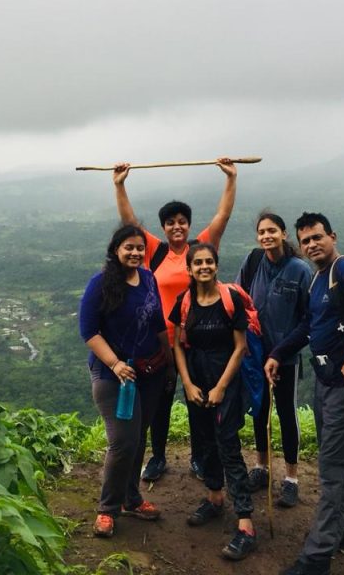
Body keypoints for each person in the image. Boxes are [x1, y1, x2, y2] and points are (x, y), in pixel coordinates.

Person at [264, 212, 344, 575]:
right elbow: (310, 325)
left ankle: (316, 558)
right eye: (305, 241)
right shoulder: (319, 278)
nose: (311, 245)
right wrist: (278, 353)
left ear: (332, 237)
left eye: (317, 237)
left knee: (332, 468)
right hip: (327, 383)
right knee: (341, 460)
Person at [113, 157, 237, 482]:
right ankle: (158, 457)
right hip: (162, 343)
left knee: (198, 401)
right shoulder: (155, 251)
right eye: (170, 222)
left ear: (189, 225)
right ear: (164, 228)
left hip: (196, 341)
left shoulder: (200, 250)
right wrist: (120, 185)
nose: (177, 226)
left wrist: (230, 179)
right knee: (159, 402)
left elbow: (222, 218)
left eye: (182, 221)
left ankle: (200, 457)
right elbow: (129, 222)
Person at [78, 225, 172, 538]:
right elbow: (89, 331)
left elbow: (158, 323)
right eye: (128, 247)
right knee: (122, 442)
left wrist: (170, 362)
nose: (134, 252)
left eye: (139, 248)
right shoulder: (101, 283)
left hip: (149, 371)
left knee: (138, 436)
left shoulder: (148, 278)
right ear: (116, 249)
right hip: (112, 374)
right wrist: (115, 364)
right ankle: (107, 509)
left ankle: (131, 499)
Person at [172, 242, 257, 561]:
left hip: (226, 381)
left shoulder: (229, 299)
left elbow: (240, 347)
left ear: (216, 266)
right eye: (198, 263)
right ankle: (214, 496)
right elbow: (178, 345)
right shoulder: (184, 302)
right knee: (204, 440)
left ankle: (246, 522)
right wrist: (188, 384)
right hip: (196, 380)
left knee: (227, 445)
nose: (204, 266)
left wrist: (221, 387)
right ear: (190, 269)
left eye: (209, 261)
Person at [236, 211, 312, 507]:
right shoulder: (254, 261)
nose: (266, 236)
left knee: (286, 412)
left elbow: (308, 320)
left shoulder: (299, 270)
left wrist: (280, 353)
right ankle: (261, 467)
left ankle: (291, 478)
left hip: (285, 358)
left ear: (283, 234)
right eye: (262, 232)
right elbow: (238, 300)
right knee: (260, 410)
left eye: (272, 231)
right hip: (255, 354)